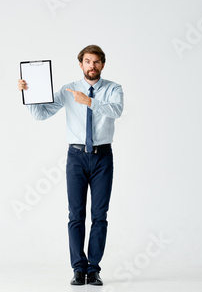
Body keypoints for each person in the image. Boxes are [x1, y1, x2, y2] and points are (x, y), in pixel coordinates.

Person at [18, 45, 124, 286]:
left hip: (102, 157)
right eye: (87, 61)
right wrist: (29, 95)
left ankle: (94, 269)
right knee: (75, 215)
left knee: (99, 215)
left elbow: (117, 110)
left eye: (96, 62)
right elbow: (41, 114)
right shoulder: (68, 90)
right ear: (81, 64)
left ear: (102, 65)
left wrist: (89, 102)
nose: (92, 66)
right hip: (76, 157)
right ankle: (78, 268)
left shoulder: (113, 89)